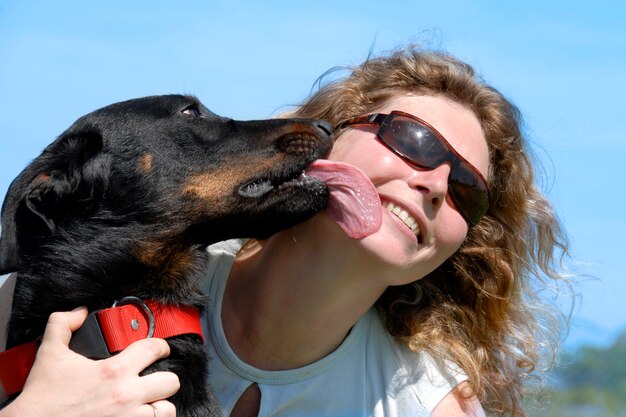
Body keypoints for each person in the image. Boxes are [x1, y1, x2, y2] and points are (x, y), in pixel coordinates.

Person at [0, 45, 571, 417]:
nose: (437, 184)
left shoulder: (425, 404)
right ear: (335, 132)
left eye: (468, 191)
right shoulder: (75, 290)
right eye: (414, 141)